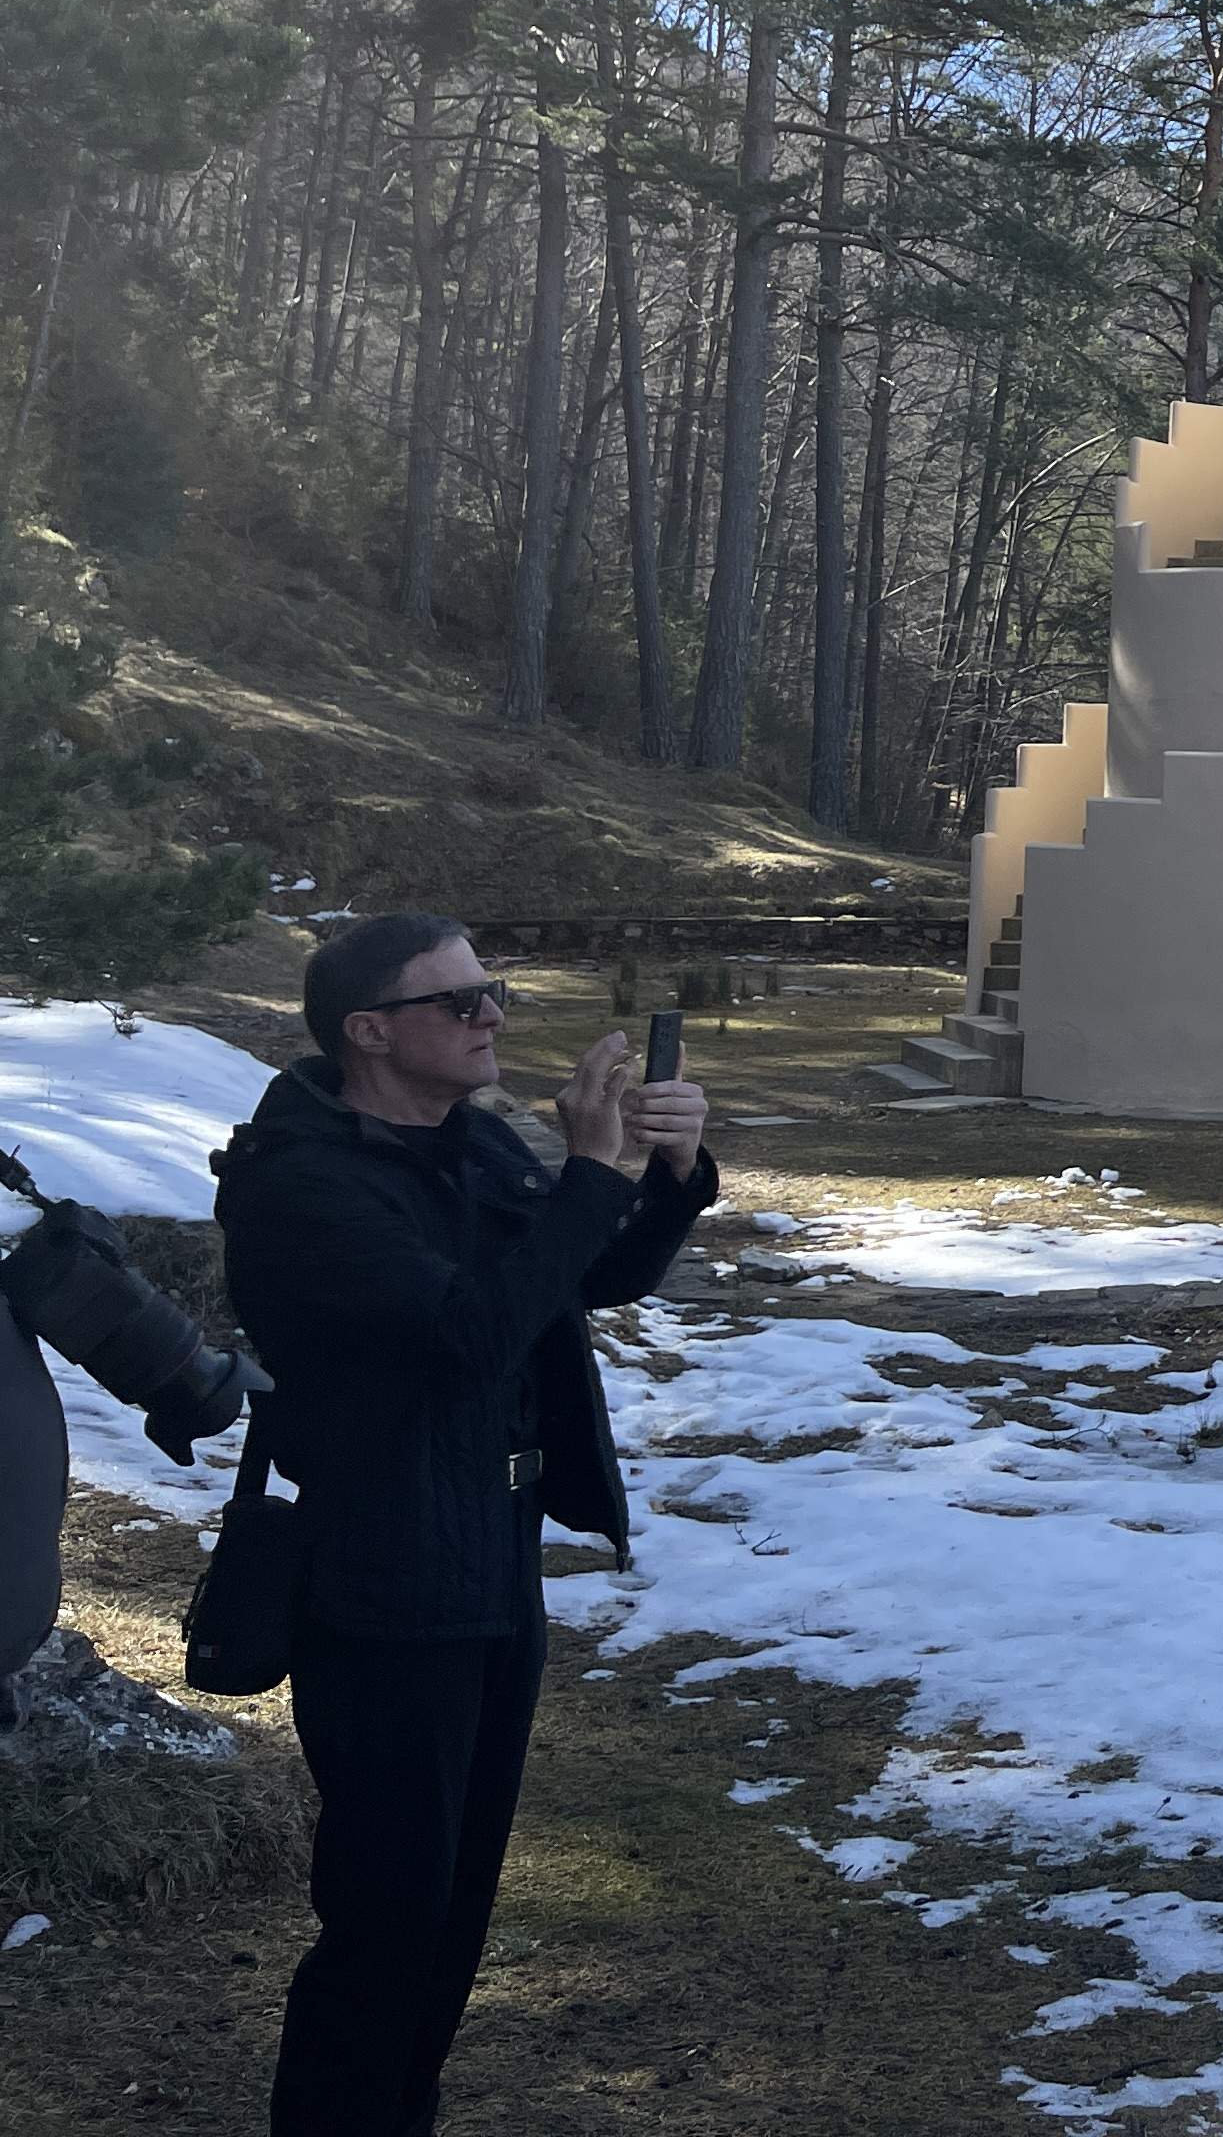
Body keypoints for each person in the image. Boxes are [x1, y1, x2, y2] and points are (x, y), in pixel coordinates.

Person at [218, 912, 718, 2137]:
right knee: (387, 1915)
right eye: (458, 1001)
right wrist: (590, 1172)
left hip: (490, 1558)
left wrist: (663, 1178)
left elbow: (579, 1278)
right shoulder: (302, 1183)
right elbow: (469, 1335)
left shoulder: (470, 1142)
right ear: (370, 1032)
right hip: (380, 1572)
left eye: (492, 991)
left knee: (452, 1911)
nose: (492, 1015)